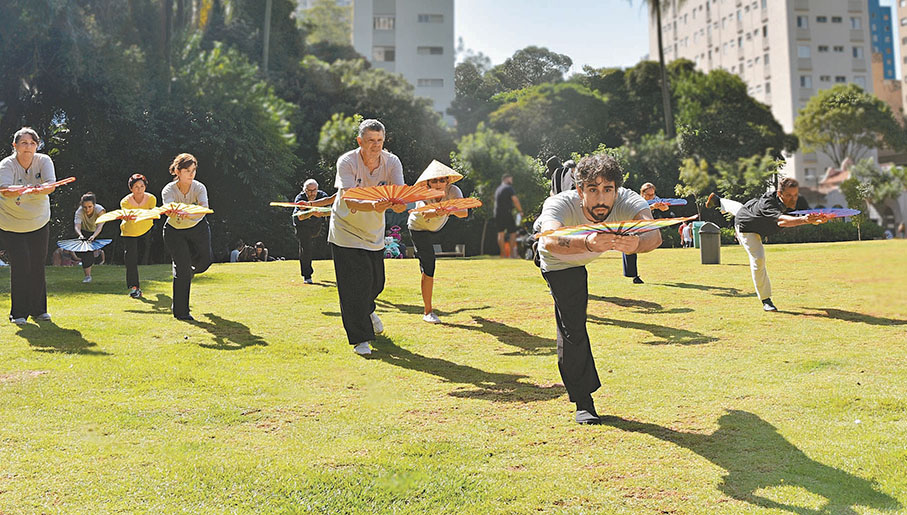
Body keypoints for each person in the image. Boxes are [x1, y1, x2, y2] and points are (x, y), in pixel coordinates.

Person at [536, 154, 662, 425]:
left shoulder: (628, 200)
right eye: (592, 190)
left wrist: (639, 244)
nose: (601, 198)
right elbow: (548, 242)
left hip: (586, 253)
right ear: (579, 190)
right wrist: (590, 244)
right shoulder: (559, 203)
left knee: (575, 317)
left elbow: (655, 235)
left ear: (617, 189)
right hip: (560, 262)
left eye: (608, 189)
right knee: (573, 327)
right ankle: (583, 400)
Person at [327, 119, 405, 355]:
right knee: (353, 287)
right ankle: (360, 340)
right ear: (360, 141)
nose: (375, 145)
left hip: (373, 231)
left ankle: (368, 310)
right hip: (345, 229)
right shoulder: (347, 162)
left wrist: (399, 204)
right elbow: (350, 199)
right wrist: (375, 204)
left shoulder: (392, 162)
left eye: (380, 140)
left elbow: (399, 196)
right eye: (370, 140)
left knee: (376, 282)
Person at [705, 180, 828, 312]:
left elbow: (810, 214)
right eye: (789, 196)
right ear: (779, 193)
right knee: (758, 258)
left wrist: (819, 218)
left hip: (751, 211)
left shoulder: (794, 199)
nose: (793, 199)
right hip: (747, 227)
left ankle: (718, 201)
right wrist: (804, 220)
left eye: (795, 195)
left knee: (740, 208)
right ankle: (766, 300)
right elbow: (782, 221)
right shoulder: (768, 203)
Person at [0, 127, 59, 324]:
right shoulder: (6, 165)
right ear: (14, 146)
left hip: (39, 221)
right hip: (11, 223)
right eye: (24, 143)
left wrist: (41, 189)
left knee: (37, 265)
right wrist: (26, 190)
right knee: (21, 265)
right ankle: (18, 313)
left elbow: (51, 185)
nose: (28, 147)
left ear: (37, 146)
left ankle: (39, 310)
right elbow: (5, 191)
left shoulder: (44, 161)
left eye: (32, 143)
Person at [406, 160, 468, 324]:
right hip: (419, 229)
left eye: (442, 180)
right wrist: (437, 211)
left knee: (428, 263)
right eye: (434, 180)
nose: (439, 183)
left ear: (447, 181)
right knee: (429, 265)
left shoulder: (454, 191)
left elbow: (463, 212)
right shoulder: (422, 192)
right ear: (428, 182)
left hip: (439, 228)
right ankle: (428, 311)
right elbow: (426, 213)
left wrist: (447, 209)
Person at [161, 152, 212, 321]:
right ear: (177, 171)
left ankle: (189, 269)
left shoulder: (199, 187)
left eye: (194, 170)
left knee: (206, 261)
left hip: (197, 227)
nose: (192, 174)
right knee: (182, 270)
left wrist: (189, 214)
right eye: (187, 171)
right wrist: (173, 210)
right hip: (174, 231)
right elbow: (168, 208)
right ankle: (181, 312)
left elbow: (204, 208)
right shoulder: (169, 190)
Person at [622, 182, 669, 284]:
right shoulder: (637, 200)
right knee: (630, 248)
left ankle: (633, 275)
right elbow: (639, 210)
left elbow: (665, 208)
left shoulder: (652, 200)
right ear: (642, 193)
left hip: (639, 226)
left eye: (652, 194)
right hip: (630, 225)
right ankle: (634, 276)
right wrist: (652, 207)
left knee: (631, 249)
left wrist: (663, 207)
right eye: (648, 195)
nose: (651, 197)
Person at [120, 173, 157, 298]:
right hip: (129, 231)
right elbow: (125, 213)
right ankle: (134, 287)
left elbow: (153, 213)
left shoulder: (151, 198)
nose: (139, 189)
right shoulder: (125, 201)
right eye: (136, 187)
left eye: (142, 186)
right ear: (131, 188)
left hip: (146, 229)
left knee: (145, 255)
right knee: (131, 259)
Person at [292, 178, 333, 283]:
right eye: (309, 191)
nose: (312, 193)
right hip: (302, 225)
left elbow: (331, 211)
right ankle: (307, 275)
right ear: (304, 190)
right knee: (306, 248)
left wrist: (322, 213)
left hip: (316, 224)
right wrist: (311, 212)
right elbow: (299, 217)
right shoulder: (300, 198)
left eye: (314, 190)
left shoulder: (322, 196)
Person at [73, 192, 107, 283]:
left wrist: (94, 236)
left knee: (92, 252)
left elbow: (100, 227)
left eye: (90, 207)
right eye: (85, 207)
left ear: (94, 205)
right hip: (84, 231)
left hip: (96, 230)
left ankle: (98, 259)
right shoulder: (79, 212)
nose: (87, 209)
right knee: (86, 253)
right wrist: (80, 235)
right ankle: (87, 276)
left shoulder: (100, 210)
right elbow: (77, 226)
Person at [494, 174, 523, 258]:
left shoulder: (498, 189)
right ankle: (511, 254)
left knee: (501, 233)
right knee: (513, 232)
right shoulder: (508, 188)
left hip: (498, 213)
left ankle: (503, 254)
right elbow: (515, 200)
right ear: (506, 179)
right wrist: (520, 211)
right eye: (511, 179)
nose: (512, 181)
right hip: (507, 212)